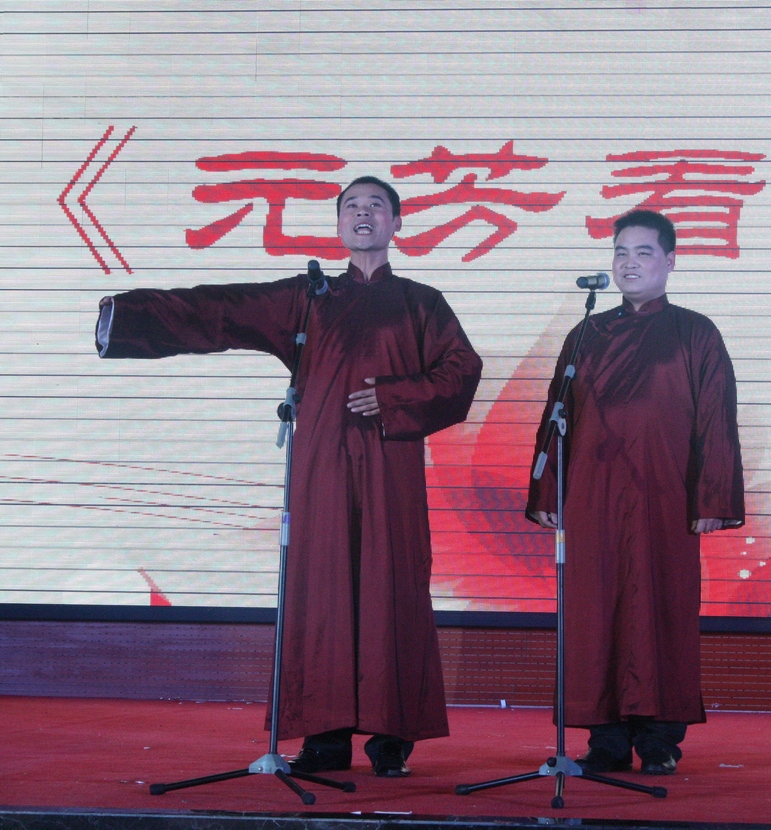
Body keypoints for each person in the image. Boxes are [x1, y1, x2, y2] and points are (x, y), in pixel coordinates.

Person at [96, 176, 483, 777]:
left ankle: (391, 739)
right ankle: (325, 739)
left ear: (397, 223)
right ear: (338, 224)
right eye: (351, 206)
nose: (363, 214)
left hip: (391, 467)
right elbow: (222, 310)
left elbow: (462, 371)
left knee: (393, 588)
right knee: (320, 591)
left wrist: (394, 396)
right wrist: (128, 318)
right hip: (321, 467)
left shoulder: (421, 303)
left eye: (376, 206)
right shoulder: (308, 298)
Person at [526, 210, 744, 776]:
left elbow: (716, 418)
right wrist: (549, 490)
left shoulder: (695, 332)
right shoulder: (586, 333)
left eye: (643, 253)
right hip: (593, 495)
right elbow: (557, 415)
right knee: (596, 610)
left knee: (661, 606)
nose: (629, 263)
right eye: (621, 252)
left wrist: (712, 497)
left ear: (670, 261)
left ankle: (658, 738)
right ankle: (605, 739)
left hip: (664, 493)